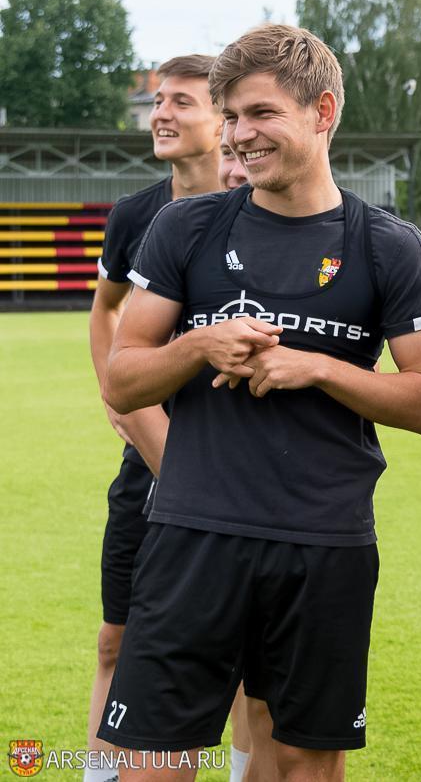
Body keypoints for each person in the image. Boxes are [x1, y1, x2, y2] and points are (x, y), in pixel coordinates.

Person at [97, 23, 421, 781]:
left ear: (322, 112)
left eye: (261, 113)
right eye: (230, 116)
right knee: (155, 757)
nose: (239, 134)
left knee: (301, 759)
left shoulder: (390, 245)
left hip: (323, 543)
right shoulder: (186, 226)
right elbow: (122, 379)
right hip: (191, 533)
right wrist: (199, 345)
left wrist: (316, 368)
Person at [85, 55, 240, 782]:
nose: (162, 114)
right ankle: (99, 772)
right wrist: (118, 397)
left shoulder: (258, 209)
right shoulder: (135, 215)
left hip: (237, 459)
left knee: (241, 656)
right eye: (158, 101)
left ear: (222, 120)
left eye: (182, 101)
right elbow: (106, 312)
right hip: (148, 458)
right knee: (115, 639)